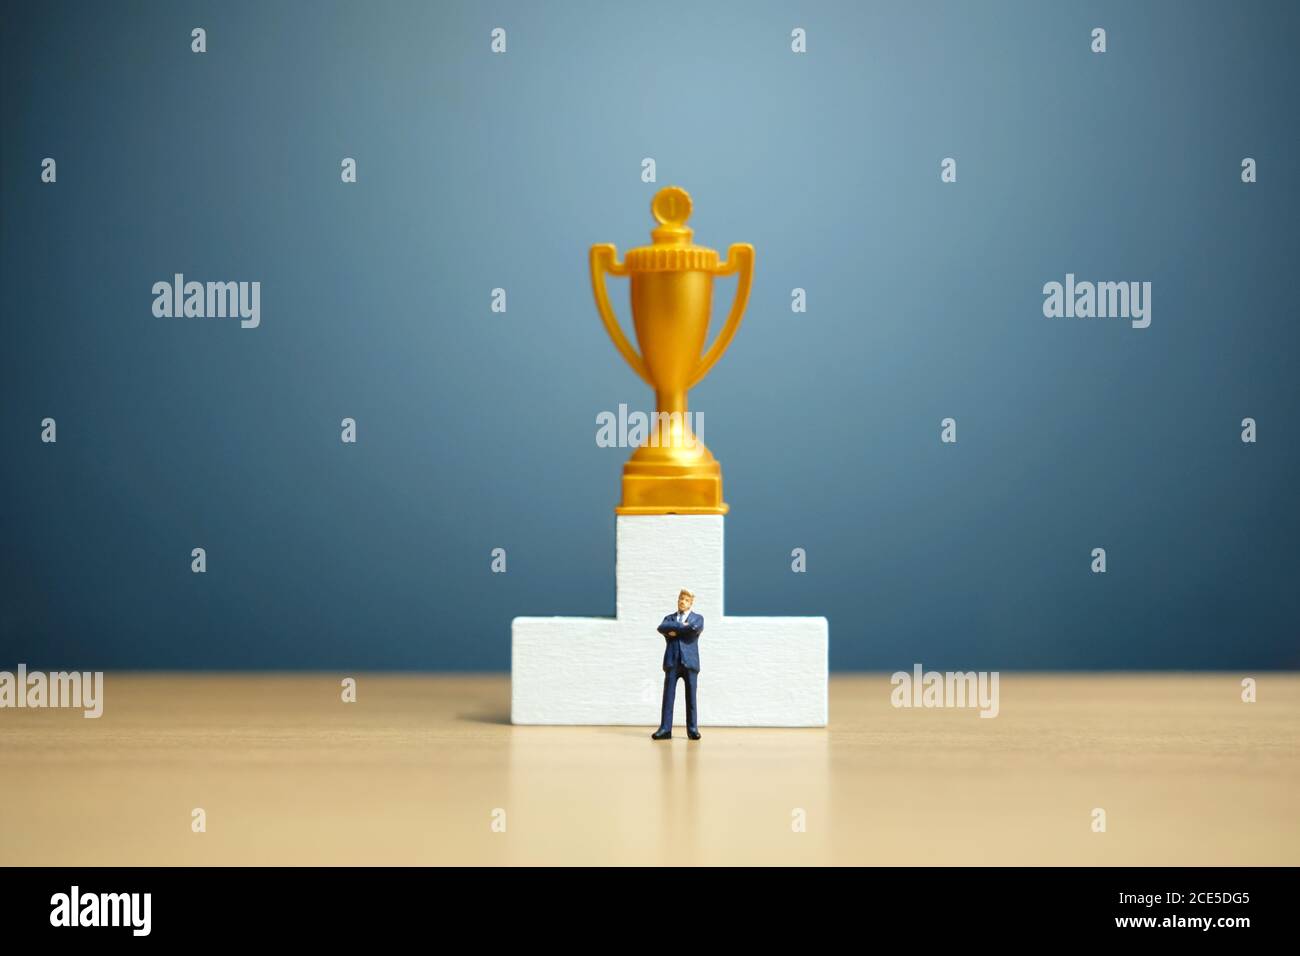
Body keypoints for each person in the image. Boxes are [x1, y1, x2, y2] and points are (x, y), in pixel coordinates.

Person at [652, 588, 703, 740]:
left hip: (690, 662)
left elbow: (694, 628)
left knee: (691, 697)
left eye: (686, 600)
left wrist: (674, 631)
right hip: (672, 661)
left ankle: (692, 729)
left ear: (691, 603)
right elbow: (662, 628)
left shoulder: (697, 618)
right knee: (668, 696)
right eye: (681, 598)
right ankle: (665, 728)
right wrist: (683, 628)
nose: (682, 602)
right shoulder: (669, 618)